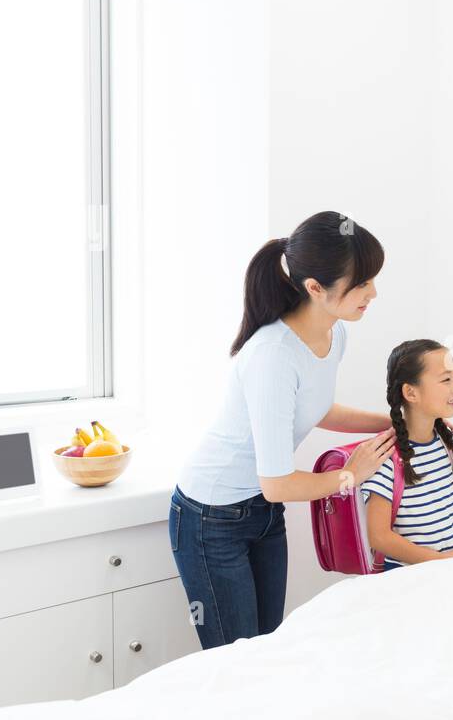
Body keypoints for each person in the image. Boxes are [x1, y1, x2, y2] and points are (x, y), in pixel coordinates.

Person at [170, 211, 397, 649]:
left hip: (261, 512)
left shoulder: (334, 334)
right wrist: (353, 475)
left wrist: (390, 421)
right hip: (211, 516)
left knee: (269, 649)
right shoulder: (273, 356)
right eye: (363, 282)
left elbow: (316, 409)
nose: (373, 292)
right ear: (315, 288)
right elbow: (277, 484)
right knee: (236, 660)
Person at [361, 339, 453, 569]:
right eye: (446, 380)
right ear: (410, 392)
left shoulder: (448, 442)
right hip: (413, 579)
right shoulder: (384, 457)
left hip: (452, 567)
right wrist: (440, 561)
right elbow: (379, 537)